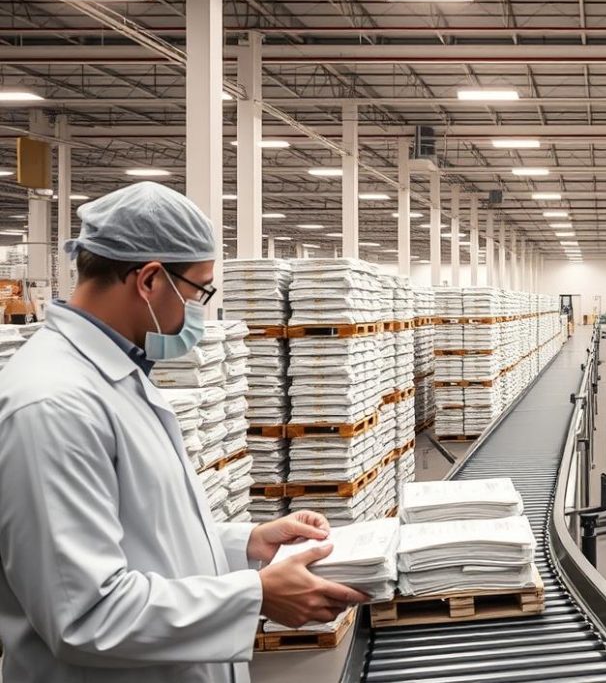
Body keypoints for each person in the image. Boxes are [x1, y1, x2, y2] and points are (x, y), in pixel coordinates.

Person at [0, 182, 367, 683]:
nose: (199, 310)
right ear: (149, 280)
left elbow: (143, 533)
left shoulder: (119, 377)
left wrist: (250, 544)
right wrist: (257, 595)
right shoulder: (53, 405)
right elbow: (84, 613)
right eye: (198, 291)